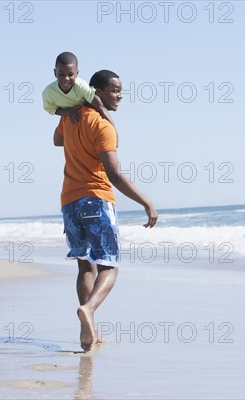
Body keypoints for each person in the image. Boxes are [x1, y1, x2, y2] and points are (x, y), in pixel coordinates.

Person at [53, 69, 157, 351]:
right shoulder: (102, 126)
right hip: (96, 200)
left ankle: (89, 335)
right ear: (96, 92)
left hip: (69, 203)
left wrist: (71, 112)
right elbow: (114, 174)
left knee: (86, 267)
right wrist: (145, 201)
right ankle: (88, 310)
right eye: (114, 90)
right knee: (110, 266)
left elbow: (57, 140)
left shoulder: (70, 115)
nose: (119, 95)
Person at [43, 51, 115, 126]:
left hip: (87, 114)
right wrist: (67, 111)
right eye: (61, 75)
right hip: (70, 118)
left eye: (70, 75)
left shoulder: (80, 86)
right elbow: (51, 109)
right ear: (55, 73)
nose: (66, 78)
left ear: (77, 73)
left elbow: (99, 105)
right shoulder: (49, 92)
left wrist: (113, 128)